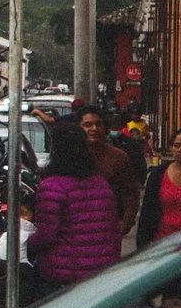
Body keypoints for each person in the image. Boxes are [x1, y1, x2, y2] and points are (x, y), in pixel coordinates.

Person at [29, 121, 123, 289]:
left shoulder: (52, 187)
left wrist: (27, 244)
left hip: (64, 277)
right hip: (100, 275)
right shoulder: (100, 183)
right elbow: (114, 230)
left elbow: (47, 235)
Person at [74, 105, 143, 235]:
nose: (94, 129)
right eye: (88, 125)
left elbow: (131, 193)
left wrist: (126, 223)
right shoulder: (71, 157)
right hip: (76, 232)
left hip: (108, 231)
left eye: (98, 124)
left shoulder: (118, 157)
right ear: (78, 128)